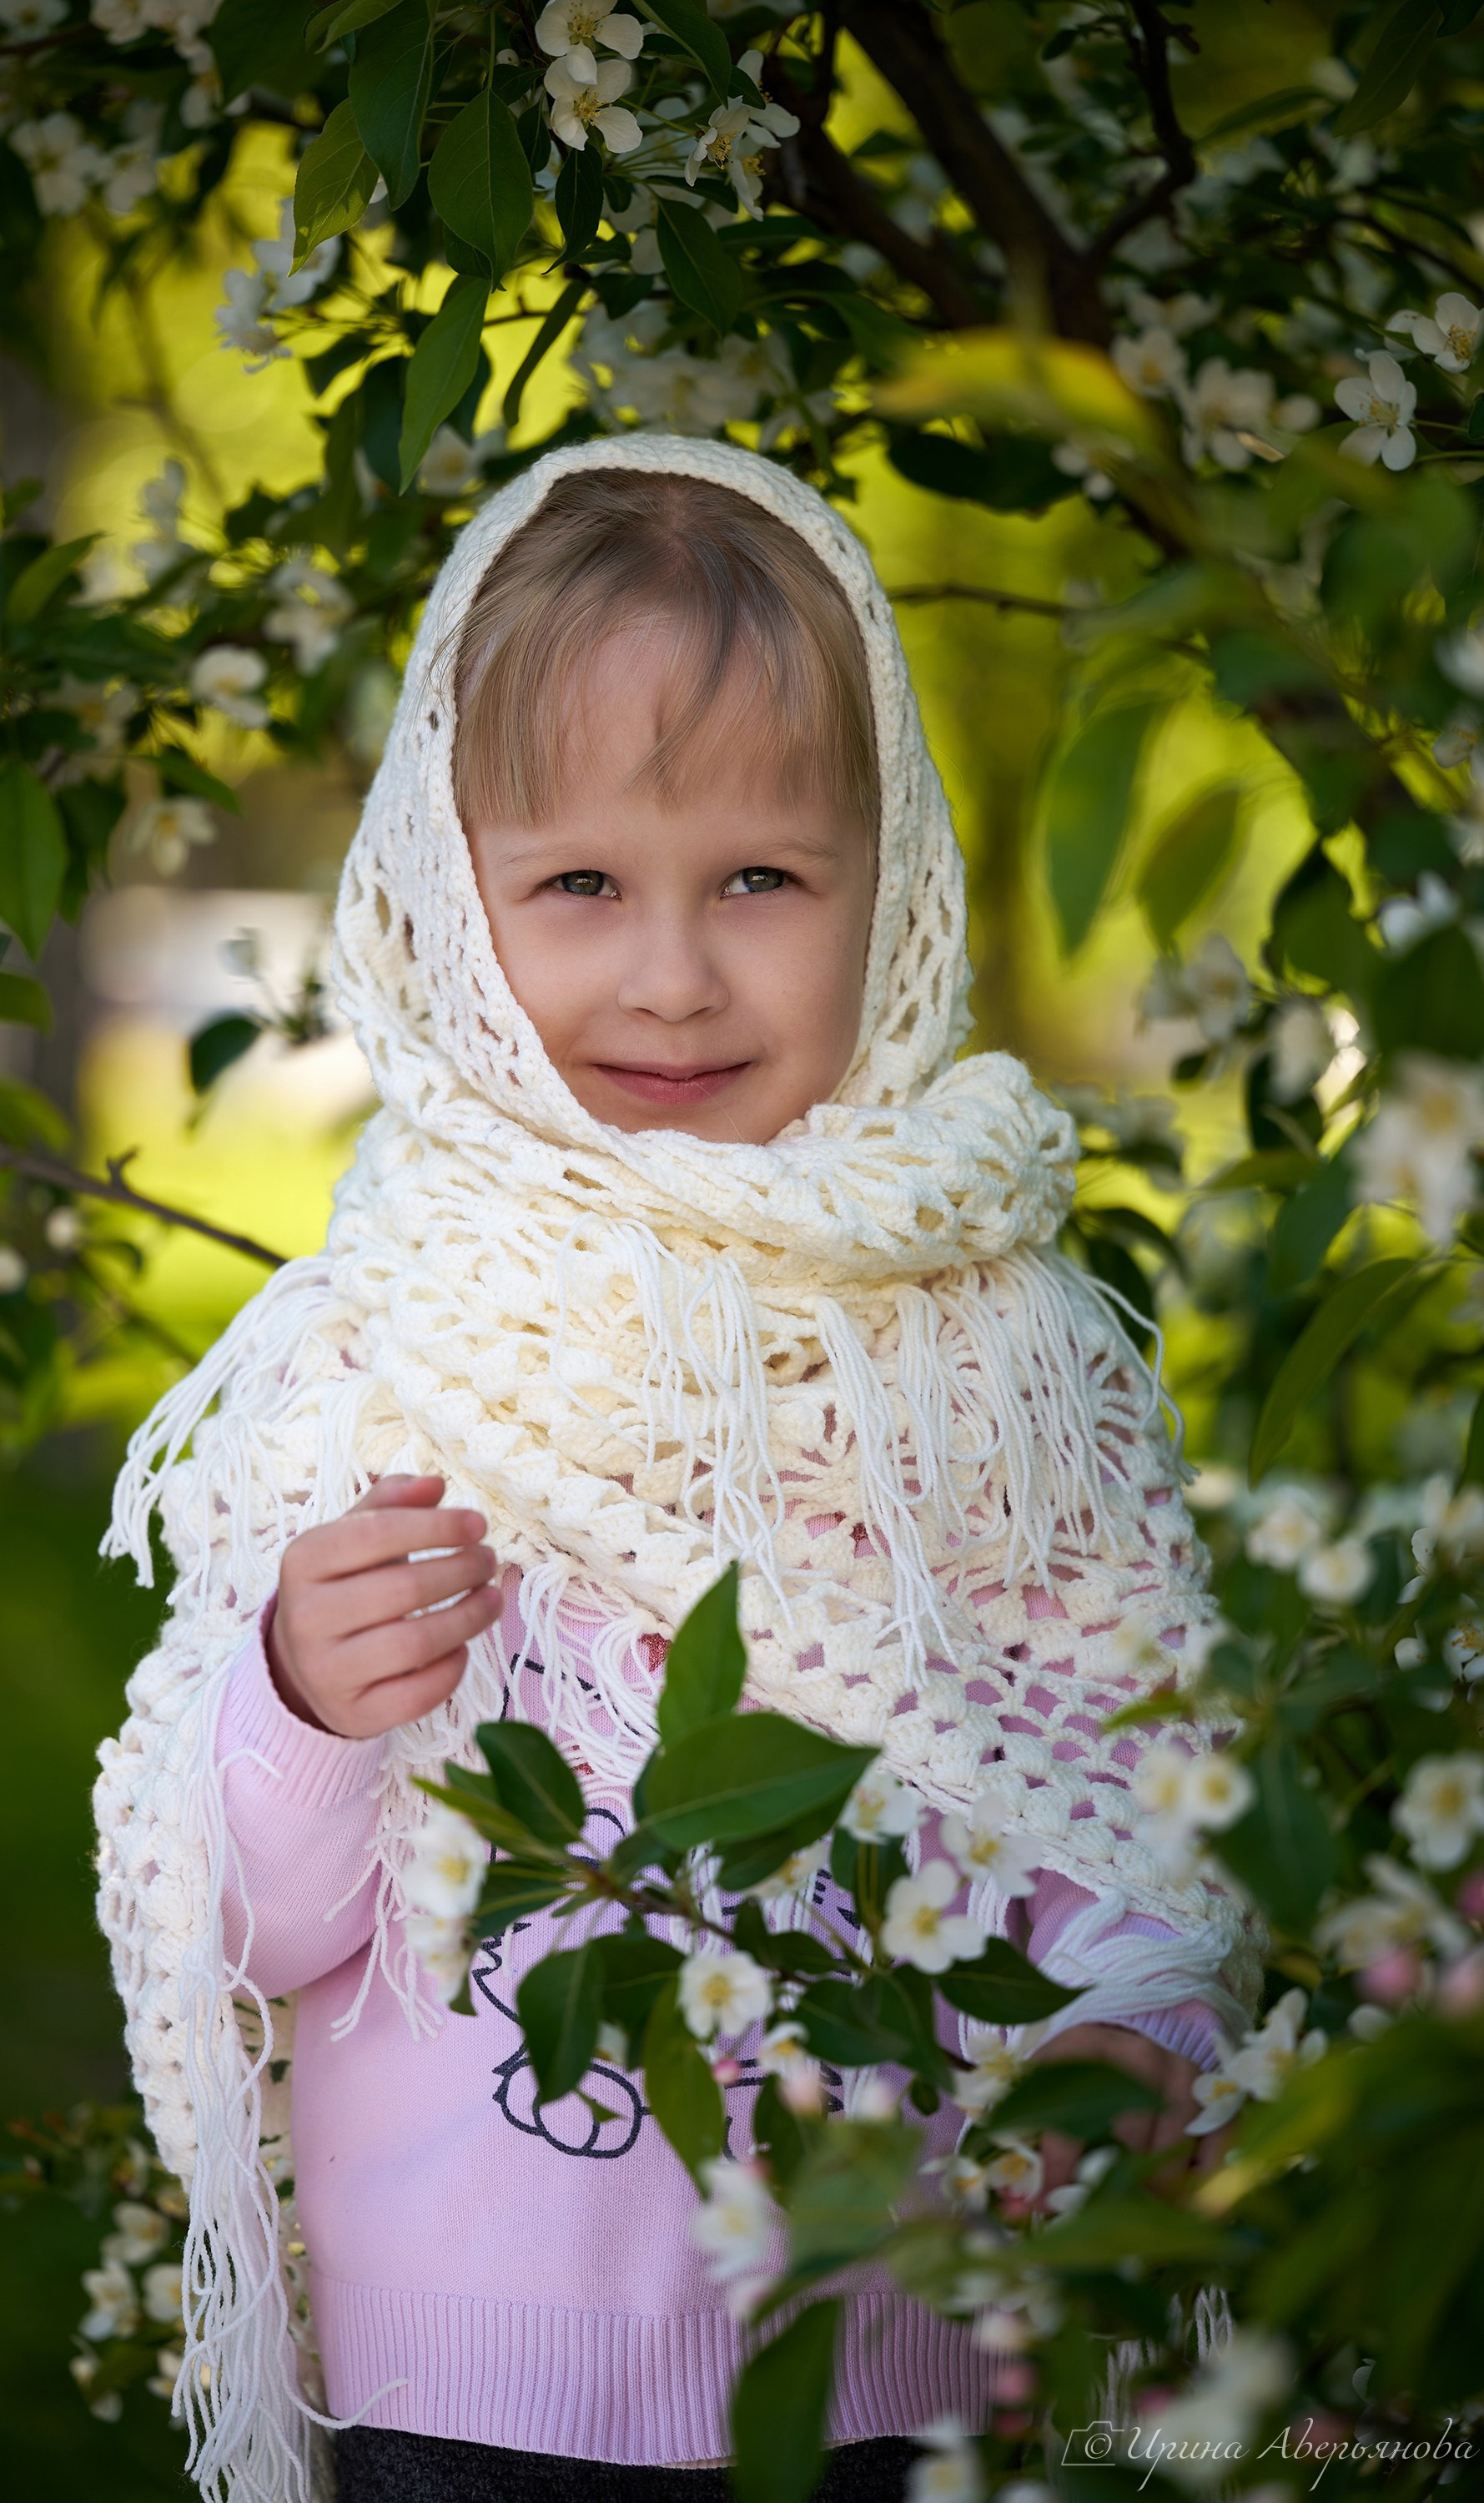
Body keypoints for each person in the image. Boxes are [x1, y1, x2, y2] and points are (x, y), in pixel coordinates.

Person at [93, 439, 1262, 2503]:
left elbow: (1149, 1805)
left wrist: (1119, 2042)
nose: (669, 974)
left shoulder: (1008, 1363)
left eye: (759, 878)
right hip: (472, 2404)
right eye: (577, 887)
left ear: (885, 890)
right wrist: (290, 1698)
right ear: (454, 907)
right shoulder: (376, 1350)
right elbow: (251, 1934)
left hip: (903, 2369)